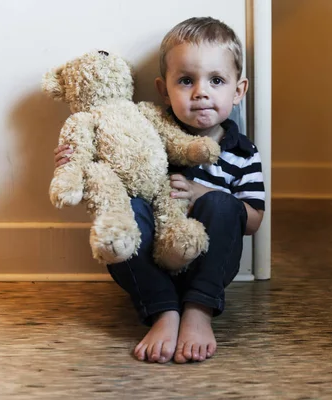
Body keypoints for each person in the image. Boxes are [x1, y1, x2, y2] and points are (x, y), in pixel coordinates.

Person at [53, 17, 265, 364]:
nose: (201, 92)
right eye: (186, 80)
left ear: (238, 90)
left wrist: (201, 195)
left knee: (223, 206)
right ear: (164, 89)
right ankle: (162, 309)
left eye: (216, 80)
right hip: (154, 260)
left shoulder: (243, 152)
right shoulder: (149, 131)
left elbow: (254, 221)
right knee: (126, 213)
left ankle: (199, 309)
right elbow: (111, 160)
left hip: (207, 264)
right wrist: (74, 156)